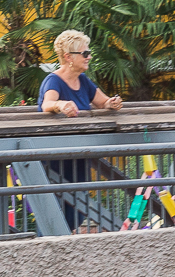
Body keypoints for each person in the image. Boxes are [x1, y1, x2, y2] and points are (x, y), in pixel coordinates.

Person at [37, 30, 122, 229]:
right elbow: (46, 104)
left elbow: (102, 102)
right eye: (85, 53)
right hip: (56, 157)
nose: (89, 57)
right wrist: (60, 105)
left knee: (77, 210)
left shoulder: (83, 80)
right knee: (55, 211)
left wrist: (112, 103)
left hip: (79, 154)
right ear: (68, 57)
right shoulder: (53, 81)